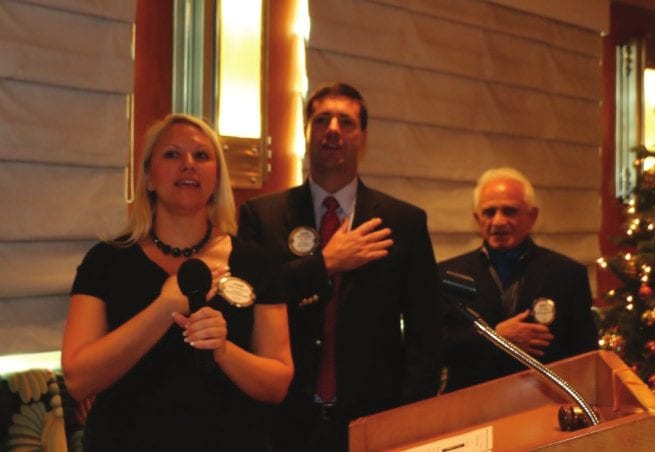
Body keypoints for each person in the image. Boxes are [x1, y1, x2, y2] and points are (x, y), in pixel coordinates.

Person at [61, 113, 293, 451]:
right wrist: (164, 309)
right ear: (148, 177)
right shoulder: (106, 261)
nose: (188, 164)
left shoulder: (256, 262)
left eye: (201, 156)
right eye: (172, 154)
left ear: (216, 178)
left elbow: (278, 384)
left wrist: (223, 350)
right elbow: (78, 379)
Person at [237, 82, 441, 451]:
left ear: (363, 138)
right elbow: (248, 304)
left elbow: (425, 335)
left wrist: (406, 418)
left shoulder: (403, 222)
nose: (333, 130)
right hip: (284, 422)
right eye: (321, 120)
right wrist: (326, 263)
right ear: (305, 133)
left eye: (346, 122)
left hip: (373, 422)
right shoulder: (261, 217)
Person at [438, 167, 598, 391]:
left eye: (509, 211)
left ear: (532, 217)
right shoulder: (448, 275)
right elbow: (435, 346)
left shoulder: (568, 274)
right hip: (473, 401)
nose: (498, 221)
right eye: (489, 212)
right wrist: (497, 337)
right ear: (477, 219)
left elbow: (584, 354)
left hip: (544, 399)